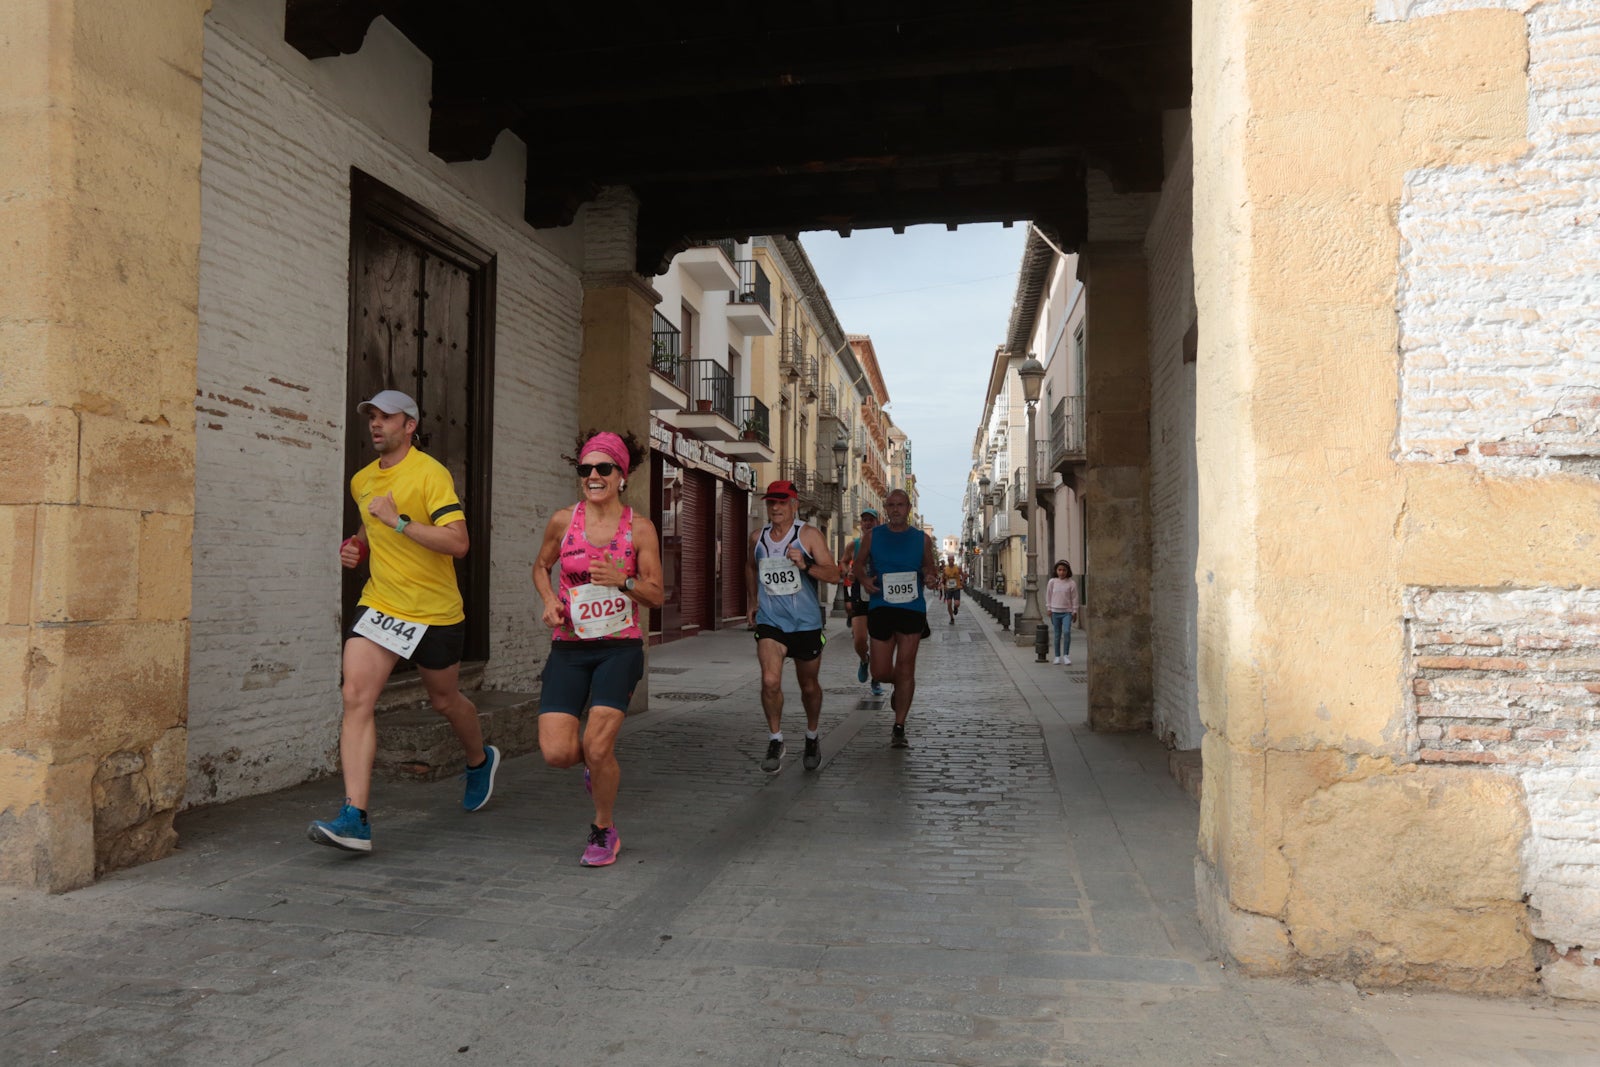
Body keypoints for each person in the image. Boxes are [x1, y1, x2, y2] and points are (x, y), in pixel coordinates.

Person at [309, 390, 497, 853]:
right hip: (381, 604)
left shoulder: (430, 474)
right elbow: (367, 526)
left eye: (386, 417)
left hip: (434, 611)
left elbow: (458, 543)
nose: (376, 424)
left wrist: (398, 523)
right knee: (356, 696)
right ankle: (355, 818)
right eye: (371, 417)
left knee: (445, 700)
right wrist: (357, 547)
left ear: (409, 425)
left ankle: (479, 760)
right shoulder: (362, 479)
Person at [532, 430, 663, 867]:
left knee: (599, 744)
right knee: (557, 753)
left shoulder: (639, 529)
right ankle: (594, 765)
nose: (593, 475)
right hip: (569, 647)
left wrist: (623, 581)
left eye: (603, 468)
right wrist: (549, 601)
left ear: (622, 475)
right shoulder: (562, 521)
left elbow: (656, 594)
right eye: (585, 468)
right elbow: (541, 566)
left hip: (618, 648)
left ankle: (604, 829)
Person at [747, 479, 841, 773]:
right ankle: (775, 739)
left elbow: (834, 574)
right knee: (770, 681)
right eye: (771, 502)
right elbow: (750, 567)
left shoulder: (809, 536)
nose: (775, 507)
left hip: (805, 623)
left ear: (794, 505)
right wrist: (752, 601)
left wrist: (805, 566)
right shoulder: (757, 538)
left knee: (809, 687)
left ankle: (812, 736)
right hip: (771, 622)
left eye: (782, 502)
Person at [854, 487, 939, 749]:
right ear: (886, 509)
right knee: (880, 671)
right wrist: (864, 580)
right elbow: (858, 564)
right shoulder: (873, 536)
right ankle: (901, 685)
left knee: (906, 666)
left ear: (908, 509)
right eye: (891, 505)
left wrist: (931, 577)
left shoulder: (921, 539)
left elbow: (929, 566)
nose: (895, 510)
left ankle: (899, 726)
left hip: (912, 608)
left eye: (900, 505)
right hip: (881, 606)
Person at [838, 507, 884, 698]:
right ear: (861, 524)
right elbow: (843, 562)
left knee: (877, 641)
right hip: (859, 594)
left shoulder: (884, 543)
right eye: (864, 520)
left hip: (879, 595)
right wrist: (846, 572)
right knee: (859, 640)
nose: (867, 523)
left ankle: (876, 678)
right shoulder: (854, 545)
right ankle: (864, 660)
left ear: (877, 523)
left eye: (871, 520)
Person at [1046, 560, 1079, 664]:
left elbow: (1074, 598)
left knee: (1067, 632)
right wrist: (1049, 608)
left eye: (1064, 570)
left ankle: (1066, 655)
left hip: (1067, 612)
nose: (1062, 572)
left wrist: (1075, 611)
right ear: (1056, 571)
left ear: (1067, 571)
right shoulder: (1052, 582)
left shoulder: (1071, 583)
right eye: (1059, 570)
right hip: (1055, 612)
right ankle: (1057, 656)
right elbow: (1048, 595)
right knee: (1057, 634)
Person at [940, 556, 965, 624]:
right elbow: (942, 578)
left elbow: (963, 575)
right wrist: (941, 583)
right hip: (948, 588)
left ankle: (955, 607)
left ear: (954, 560)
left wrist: (962, 582)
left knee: (957, 603)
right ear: (948, 560)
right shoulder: (945, 569)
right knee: (949, 604)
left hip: (956, 588)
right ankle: (952, 618)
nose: (951, 561)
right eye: (949, 560)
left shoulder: (958, 568)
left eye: (952, 559)